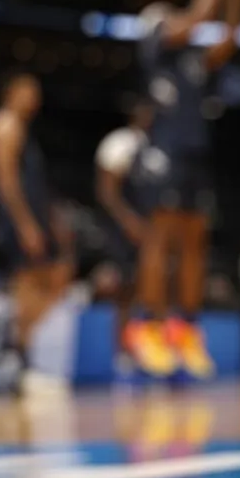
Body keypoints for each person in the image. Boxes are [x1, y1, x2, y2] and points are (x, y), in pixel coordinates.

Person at [124, 0, 240, 379]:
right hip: (165, 150)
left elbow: (229, 40)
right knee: (162, 239)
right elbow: (198, 15)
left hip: (194, 153)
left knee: (195, 241)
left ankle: (185, 326)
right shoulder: (156, 42)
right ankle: (147, 325)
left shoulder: (191, 59)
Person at [0, 72, 70, 397]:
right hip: (17, 216)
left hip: (34, 213)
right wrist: (24, 223)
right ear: (11, 91)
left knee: (52, 278)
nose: (34, 98)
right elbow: (5, 180)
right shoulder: (4, 124)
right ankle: (15, 356)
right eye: (28, 91)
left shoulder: (24, 129)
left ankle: (18, 351)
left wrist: (49, 219)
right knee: (27, 283)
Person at [94, 100, 155, 366]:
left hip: (153, 229)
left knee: (150, 287)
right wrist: (129, 221)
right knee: (125, 289)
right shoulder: (121, 142)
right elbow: (107, 190)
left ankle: (149, 347)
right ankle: (123, 352)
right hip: (125, 230)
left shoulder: (160, 146)